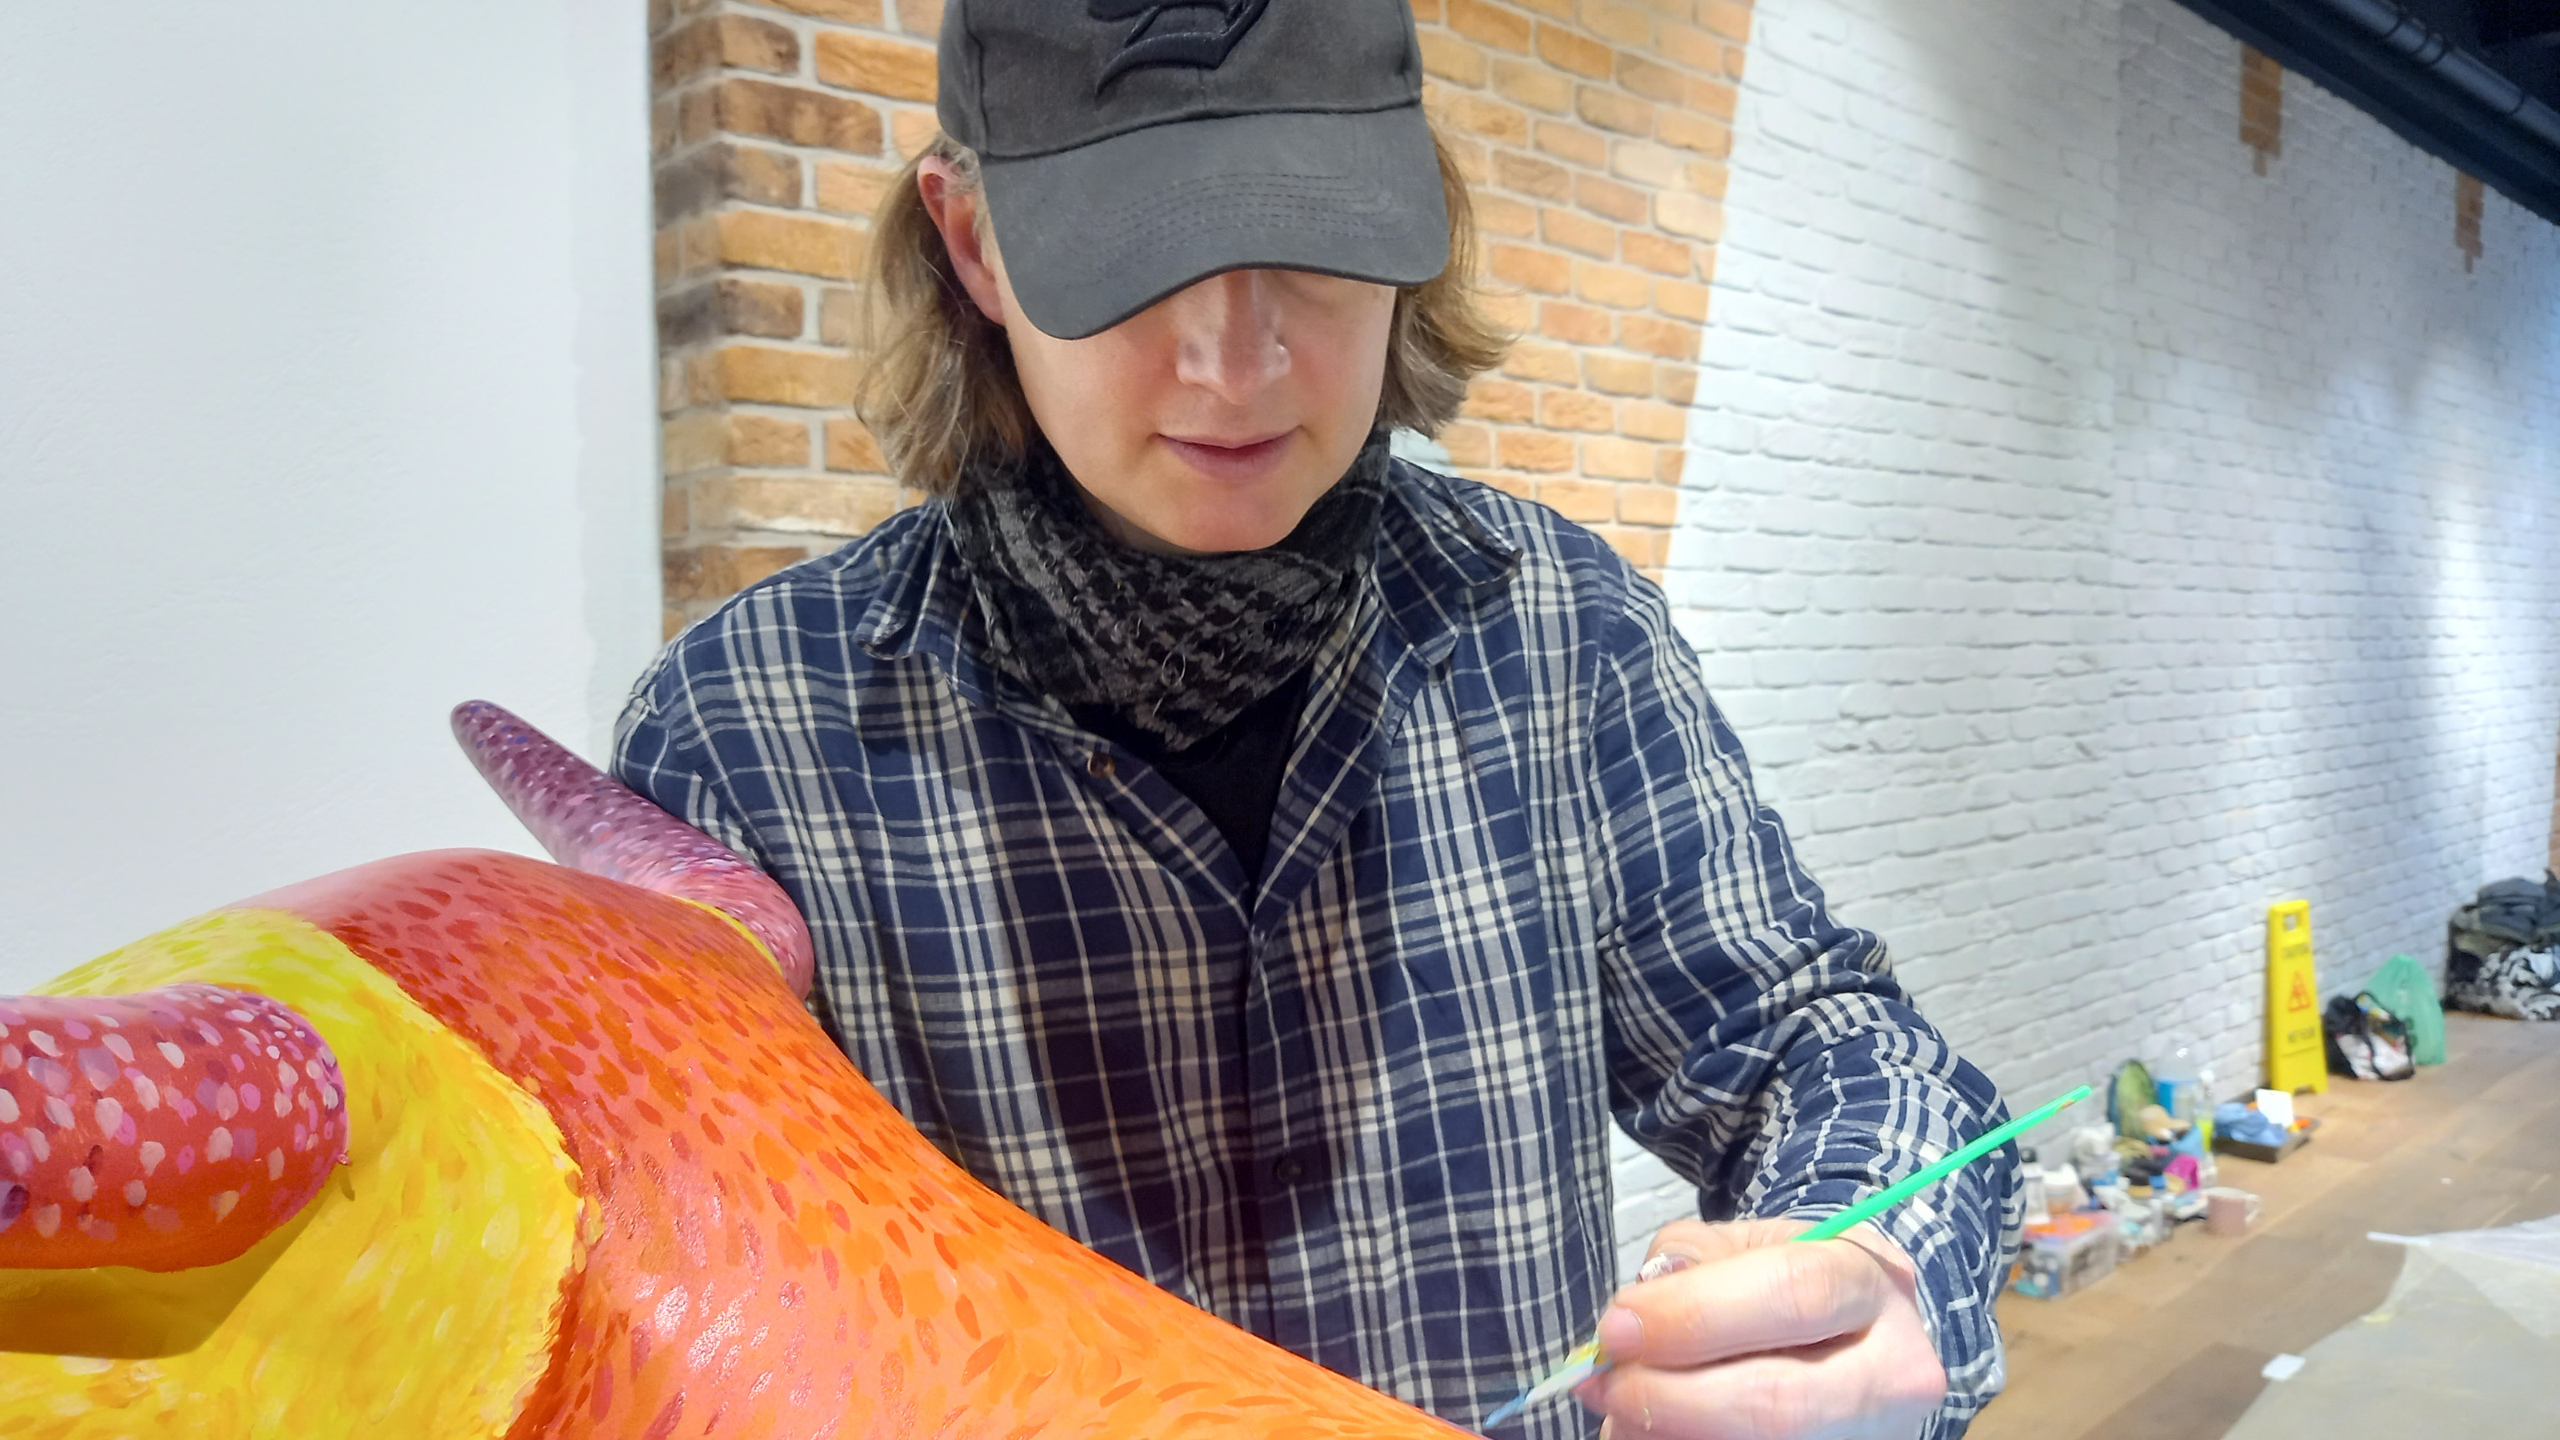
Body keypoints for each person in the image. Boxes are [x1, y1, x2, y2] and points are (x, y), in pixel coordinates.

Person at [614, 1, 2020, 1436]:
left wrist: (1866, 1255)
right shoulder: (743, 744)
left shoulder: (1557, 633)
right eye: (1134, 253)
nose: (1236, 361)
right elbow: (688, 1294)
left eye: (1313, 240)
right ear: (974, 242)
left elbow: (1810, 1033)